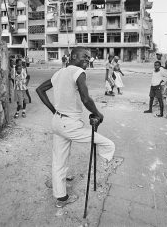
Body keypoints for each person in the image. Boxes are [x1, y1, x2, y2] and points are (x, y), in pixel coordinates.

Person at [36, 47, 115, 208]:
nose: (88, 59)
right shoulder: (78, 72)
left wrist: (54, 111)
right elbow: (86, 99)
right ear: (73, 56)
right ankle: (106, 161)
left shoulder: (59, 73)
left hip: (58, 122)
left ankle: (61, 197)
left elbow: (40, 89)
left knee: (59, 159)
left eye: (89, 57)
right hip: (70, 125)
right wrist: (98, 113)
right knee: (108, 143)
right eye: (84, 56)